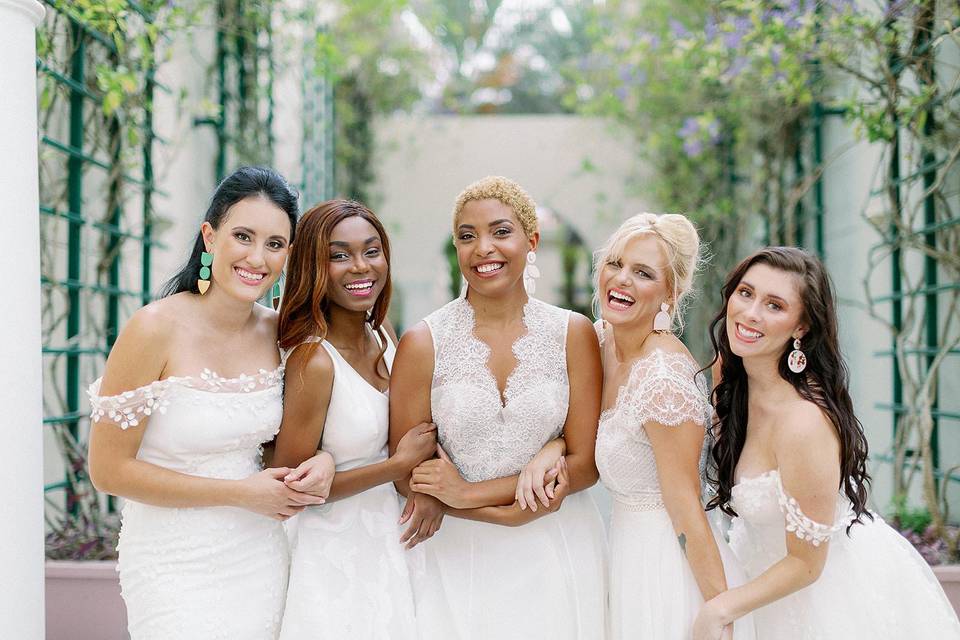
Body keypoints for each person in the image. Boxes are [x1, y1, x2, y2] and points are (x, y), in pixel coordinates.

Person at [87, 166, 322, 639]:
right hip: (171, 562)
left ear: (289, 254)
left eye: (274, 244)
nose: (257, 257)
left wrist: (326, 461)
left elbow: (288, 444)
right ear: (209, 237)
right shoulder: (153, 329)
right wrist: (240, 493)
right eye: (243, 236)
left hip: (259, 556)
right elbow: (107, 470)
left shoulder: (283, 335)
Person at [692, 246, 960, 640]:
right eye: (746, 293)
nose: (750, 314)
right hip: (755, 576)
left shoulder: (804, 423)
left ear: (801, 327)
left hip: (823, 595)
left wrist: (720, 608)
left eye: (774, 305)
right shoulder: (730, 376)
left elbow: (806, 563)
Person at [389, 176, 607, 639]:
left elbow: (585, 466)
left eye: (500, 232)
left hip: (556, 546)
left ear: (531, 241)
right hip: (456, 556)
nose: (483, 248)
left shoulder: (574, 333)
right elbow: (407, 474)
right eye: (467, 236)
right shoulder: (423, 343)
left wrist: (466, 495)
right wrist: (481, 506)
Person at [271, 199, 437, 639]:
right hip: (333, 560)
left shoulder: (383, 336)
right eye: (338, 255)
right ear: (313, 266)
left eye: (372, 250)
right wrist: (396, 466)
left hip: (393, 545)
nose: (360, 267)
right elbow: (289, 489)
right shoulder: (314, 360)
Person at [587, 213, 755, 639]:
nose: (621, 279)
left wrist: (719, 613)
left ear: (671, 293)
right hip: (624, 555)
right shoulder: (601, 342)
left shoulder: (663, 380)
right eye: (615, 263)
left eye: (642, 273)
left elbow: (686, 506)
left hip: (664, 567)